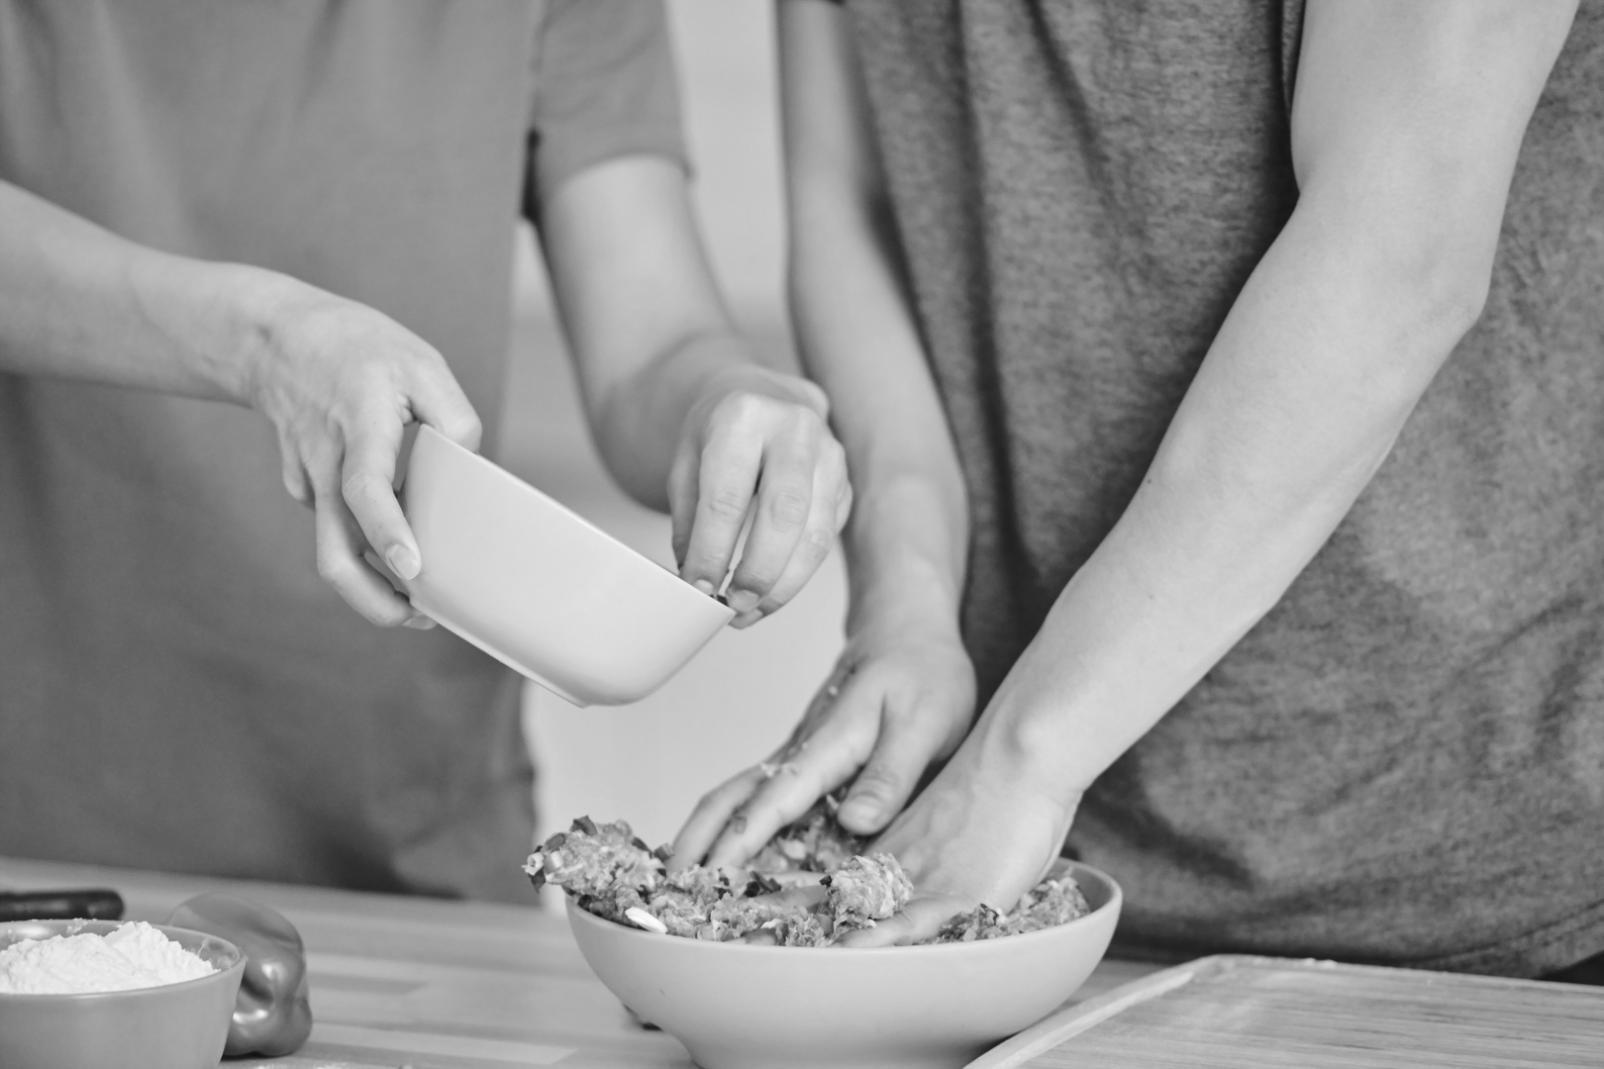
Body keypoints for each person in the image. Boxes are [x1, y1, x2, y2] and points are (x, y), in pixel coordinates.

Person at [673, 0, 1604, 979]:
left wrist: (1026, 755)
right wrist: (907, 604)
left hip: (1471, 864)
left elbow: (1397, 255)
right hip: (1018, 877)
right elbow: (850, 200)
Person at [0, 0, 848, 902]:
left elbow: (649, 350)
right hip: (44, 843)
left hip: (420, 840)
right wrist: (263, 342)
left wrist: (729, 402)